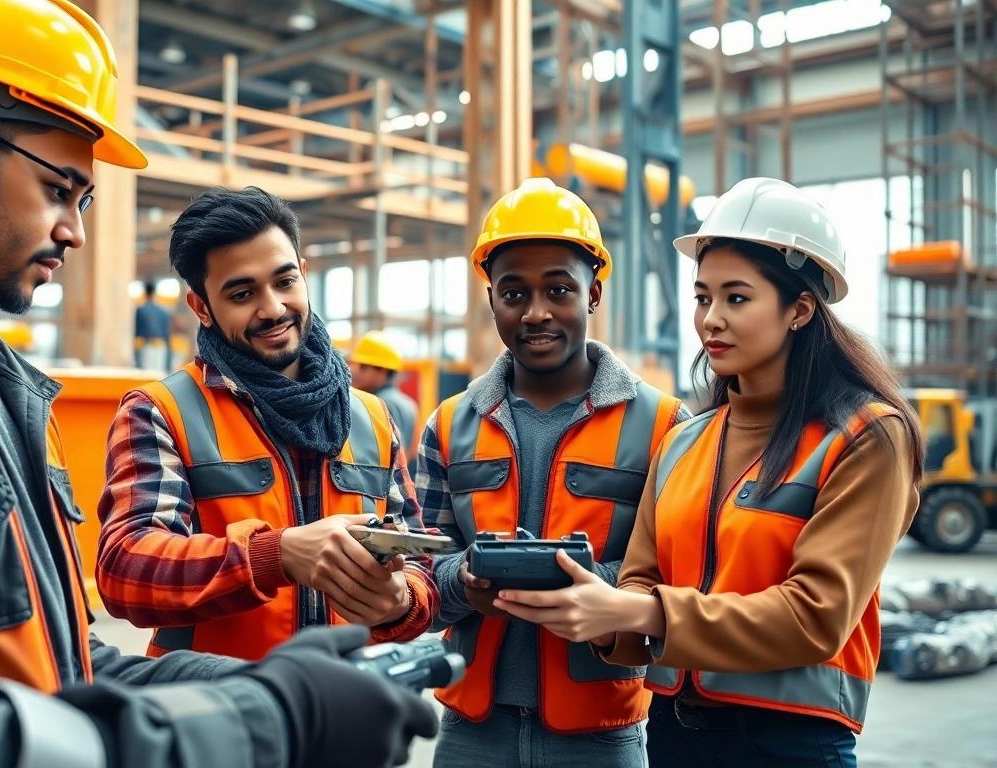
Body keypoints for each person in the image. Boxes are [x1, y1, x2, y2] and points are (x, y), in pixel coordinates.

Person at [0, 2, 437, 767]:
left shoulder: (9, 393)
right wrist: (271, 690)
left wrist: (298, 683)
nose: (76, 231)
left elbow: (67, 663)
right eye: (59, 190)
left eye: (83, 202)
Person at [491, 178, 923, 768]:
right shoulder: (687, 441)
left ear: (798, 309)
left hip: (791, 744)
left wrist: (642, 612)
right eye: (702, 297)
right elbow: (641, 579)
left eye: (736, 298)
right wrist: (597, 611)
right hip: (672, 733)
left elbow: (816, 615)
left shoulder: (866, 437)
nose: (711, 320)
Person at [98, 186, 439, 661]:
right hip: (217, 717)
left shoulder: (373, 418)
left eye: (284, 282)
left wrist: (401, 602)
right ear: (201, 308)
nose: (273, 308)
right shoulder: (159, 412)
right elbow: (125, 570)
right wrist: (274, 556)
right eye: (242, 293)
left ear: (303, 272)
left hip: (350, 712)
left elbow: (421, 566)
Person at [416, 177, 688, 768]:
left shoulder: (666, 426)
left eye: (559, 289)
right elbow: (421, 575)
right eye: (513, 293)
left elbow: (680, 576)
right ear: (491, 299)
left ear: (593, 294)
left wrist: (594, 586)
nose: (536, 312)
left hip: (601, 733)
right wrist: (466, 579)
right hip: (471, 734)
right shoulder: (448, 424)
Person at [349, 330, 420, 477]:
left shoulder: (380, 405)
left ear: (382, 370)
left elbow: (392, 457)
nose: (354, 370)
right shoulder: (408, 404)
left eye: (363, 366)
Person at [136, 280, 173, 372]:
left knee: (147, 373)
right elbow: (167, 333)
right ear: (154, 292)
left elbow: (137, 331)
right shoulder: (164, 311)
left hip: (146, 346)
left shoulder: (140, 310)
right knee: (159, 374)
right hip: (161, 346)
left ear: (145, 292)